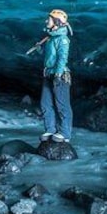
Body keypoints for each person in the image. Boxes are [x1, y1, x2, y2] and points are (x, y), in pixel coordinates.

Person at [35, 9, 73, 143]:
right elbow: (49, 57)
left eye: (49, 19)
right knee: (45, 103)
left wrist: (58, 74)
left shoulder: (62, 39)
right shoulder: (51, 38)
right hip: (49, 74)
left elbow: (62, 58)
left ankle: (65, 133)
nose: (47, 21)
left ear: (56, 22)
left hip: (60, 75)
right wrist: (40, 49)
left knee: (62, 104)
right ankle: (50, 129)